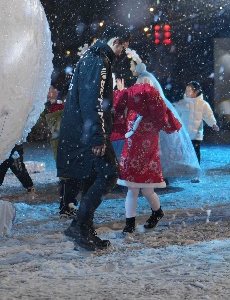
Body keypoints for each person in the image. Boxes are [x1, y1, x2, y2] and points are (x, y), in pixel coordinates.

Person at [57, 24, 131, 251]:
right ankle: (79, 227)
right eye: (123, 48)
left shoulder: (93, 58)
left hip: (83, 132)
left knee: (92, 177)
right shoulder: (98, 61)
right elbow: (94, 101)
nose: (123, 53)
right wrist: (97, 137)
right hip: (88, 133)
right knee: (109, 174)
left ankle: (83, 229)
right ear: (115, 42)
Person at [115, 81, 182, 234]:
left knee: (147, 191)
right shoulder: (137, 111)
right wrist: (122, 92)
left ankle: (157, 212)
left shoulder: (154, 115)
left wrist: (123, 92)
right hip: (133, 157)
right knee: (133, 190)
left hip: (147, 158)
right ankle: (130, 223)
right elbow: (123, 106)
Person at [126, 50, 200, 179]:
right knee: (160, 146)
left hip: (152, 116)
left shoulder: (144, 77)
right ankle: (158, 172)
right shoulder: (147, 75)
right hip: (156, 113)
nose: (130, 68)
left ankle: (154, 173)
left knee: (153, 145)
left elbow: (143, 99)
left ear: (138, 66)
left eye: (132, 65)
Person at [45, 84, 79, 218]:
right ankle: (66, 206)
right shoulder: (60, 110)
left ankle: (67, 205)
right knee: (69, 178)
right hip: (64, 147)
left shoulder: (57, 109)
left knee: (68, 177)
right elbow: (62, 129)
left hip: (63, 146)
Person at [174, 81, 219, 173]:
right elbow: (175, 115)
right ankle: (185, 170)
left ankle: (195, 172)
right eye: (186, 90)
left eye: (190, 90)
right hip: (184, 134)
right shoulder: (182, 103)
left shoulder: (203, 104)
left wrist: (213, 124)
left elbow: (208, 115)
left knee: (196, 152)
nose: (187, 92)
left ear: (197, 91)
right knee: (184, 153)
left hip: (196, 134)